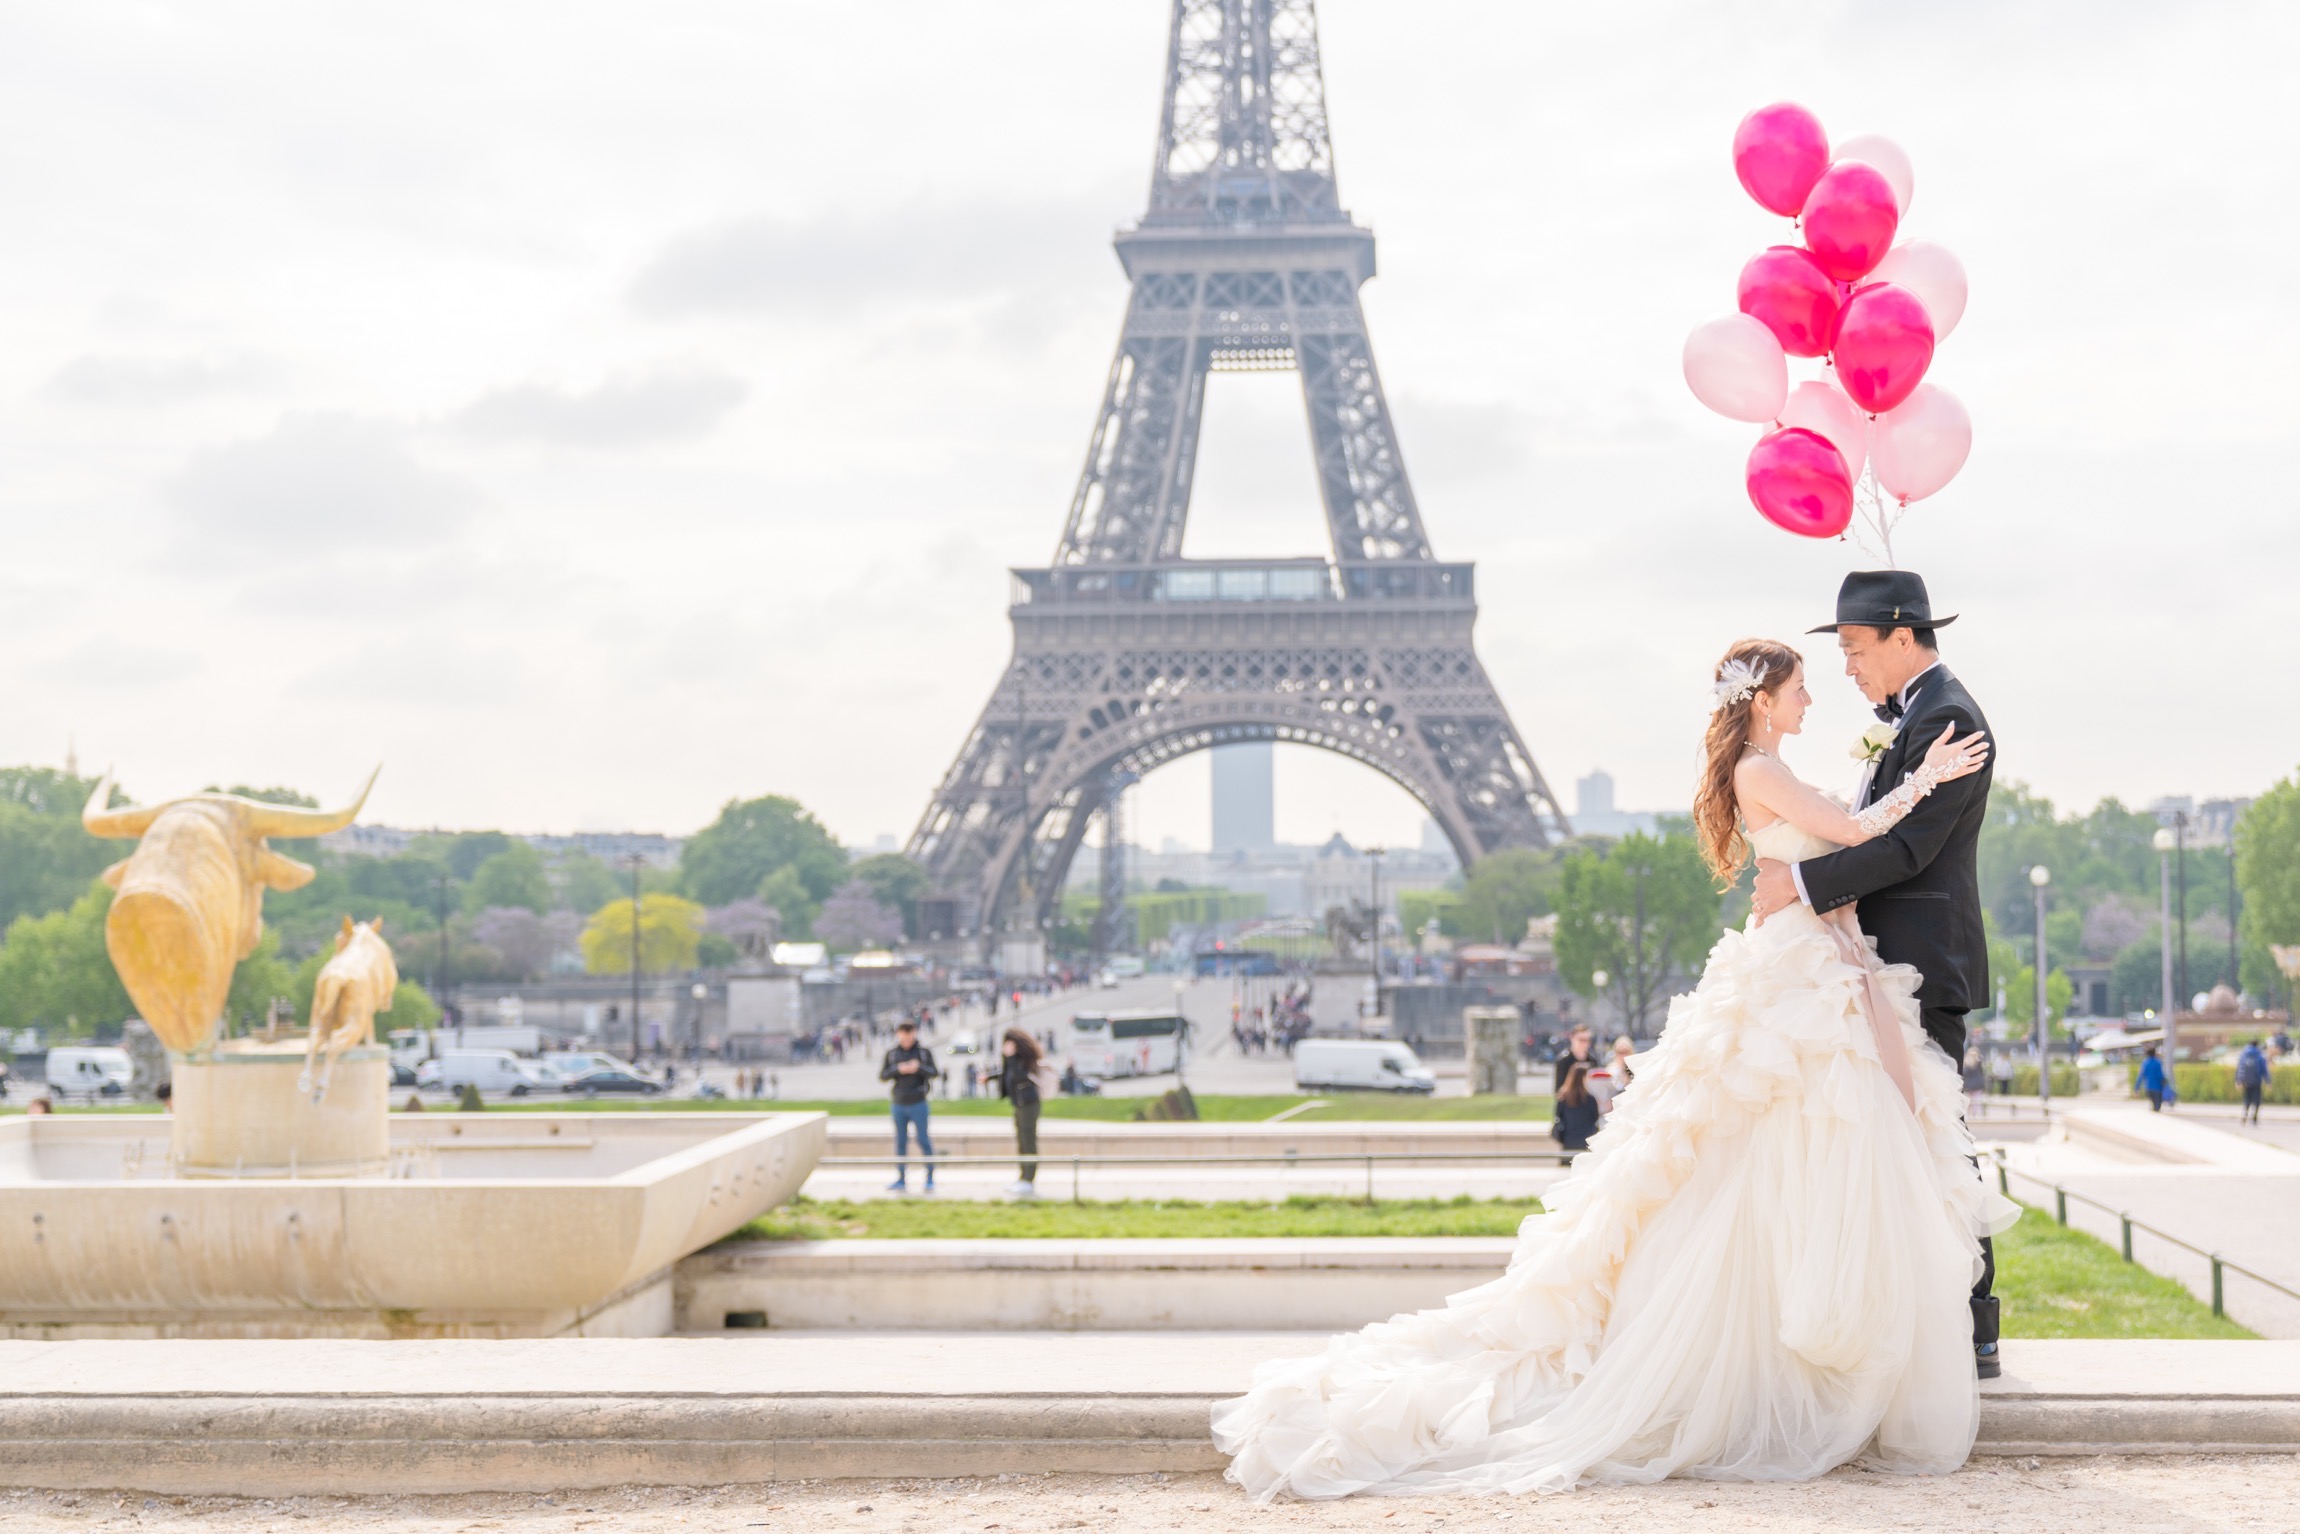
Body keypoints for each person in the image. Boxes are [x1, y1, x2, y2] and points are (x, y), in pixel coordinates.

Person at [1214, 622, 2014, 1500]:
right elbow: (1858, 827)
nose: (1815, 696)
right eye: (1798, 689)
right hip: (1804, 964)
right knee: (1793, 1143)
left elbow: (1837, 842)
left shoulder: (1765, 766)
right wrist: (1929, 777)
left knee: (1770, 1147)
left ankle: (1784, 1326)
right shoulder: (1765, 769)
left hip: (1808, 962)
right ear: (1762, 699)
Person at [879, 1019, 940, 1195]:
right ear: (898, 1035)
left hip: (918, 1101)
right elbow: (883, 1075)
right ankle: (901, 1178)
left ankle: (929, 1178)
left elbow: (934, 1072)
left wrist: (918, 1068)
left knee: (923, 1139)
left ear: (914, 1033)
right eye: (903, 1037)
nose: (906, 1040)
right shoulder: (892, 1053)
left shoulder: (923, 1052)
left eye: (909, 1036)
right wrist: (898, 1069)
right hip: (899, 1102)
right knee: (901, 1142)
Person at [996, 1026, 1053, 1198]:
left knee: (1028, 1140)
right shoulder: (1013, 1059)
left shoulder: (1025, 1059)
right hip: (1019, 1104)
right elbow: (1006, 1075)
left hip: (1029, 1104)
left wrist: (1011, 1057)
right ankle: (1023, 1177)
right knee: (1021, 1140)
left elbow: (1019, 1076)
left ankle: (1029, 1178)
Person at [1550, 1062, 1598, 1151]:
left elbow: (1557, 1116)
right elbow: (1595, 1118)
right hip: (1586, 1142)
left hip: (1568, 1141)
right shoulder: (1590, 1099)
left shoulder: (1563, 1098)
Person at [2235, 1037, 2270, 1126]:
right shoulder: (2259, 1055)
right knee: (2257, 1100)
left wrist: (2239, 1080)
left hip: (2246, 1082)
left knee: (2247, 1098)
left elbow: (2240, 1068)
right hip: (2257, 1081)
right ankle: (2255, 1117)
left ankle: (2245, 1114)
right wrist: (2268, 1081)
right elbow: (2264, 1070)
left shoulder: (2244, 1055)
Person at [1551, 1026, 1593, 1096]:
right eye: (1581, 1040)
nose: (1584, 1043)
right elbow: (1559, 1090)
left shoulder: (1592, 1061)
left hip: (1589, 1103)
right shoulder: (1563, 1060)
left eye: (1586, 1040)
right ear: (1572, 1038)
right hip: (1571, 1102)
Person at [2137, 1044, 2168, 1111]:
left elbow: (2141, 1075)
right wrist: (2164, 1080)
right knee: (2158, 1104)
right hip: (2158, 1087)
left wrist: (2137, 1087)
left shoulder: (2145, 1063)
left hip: (2148, 1087)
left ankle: (2155, 1110)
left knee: (2153, 1102)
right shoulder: (2157, 1062)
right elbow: (2160, 1075)